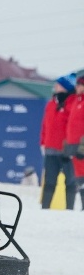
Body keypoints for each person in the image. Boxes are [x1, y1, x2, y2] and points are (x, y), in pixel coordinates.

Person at [40, 74, 78, 210]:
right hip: (50, 148)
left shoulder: (74, 103)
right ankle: (44, 208)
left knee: (70, 181)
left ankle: (69, 209)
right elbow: (45, 125)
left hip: (67, 149)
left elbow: (74, 126)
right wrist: (43, 142)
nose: (55, 87)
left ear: (66, 87)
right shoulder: (51, 104)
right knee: (49, 181)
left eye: (58, 84)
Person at [65, 76, 84, 209]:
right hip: (73, 144)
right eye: (76, 85)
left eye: (79, 85)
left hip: (81, 145)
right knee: (79, 177)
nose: (76, 87)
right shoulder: (75, 101)